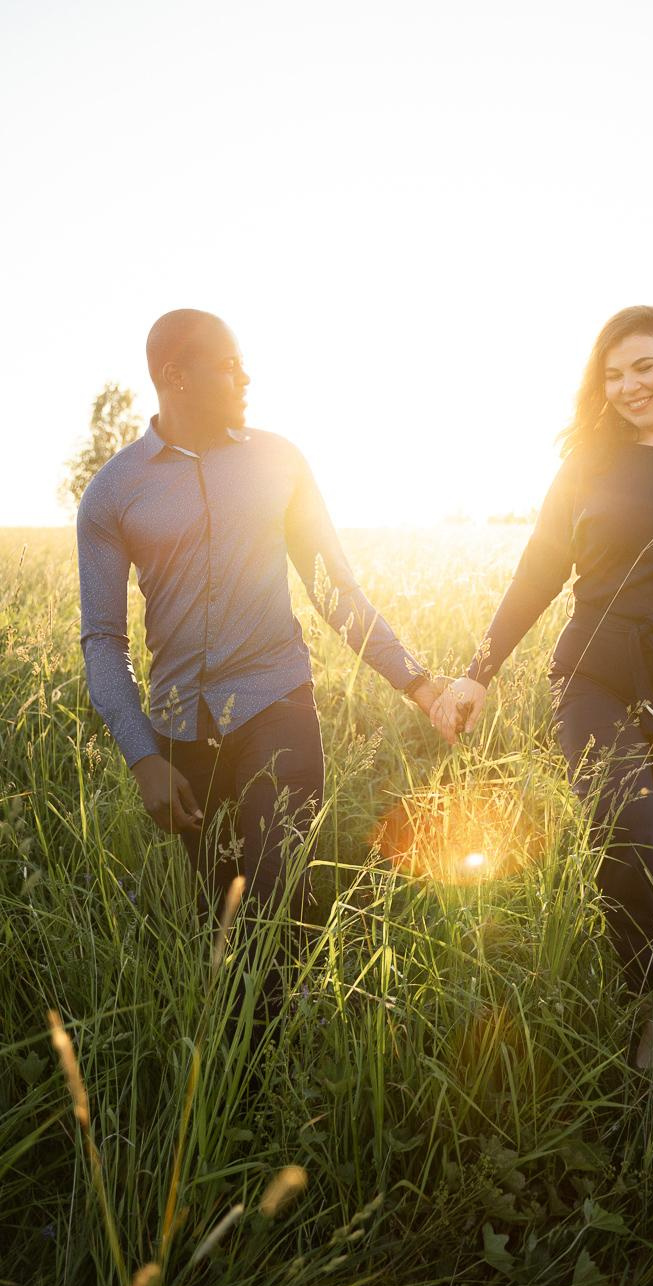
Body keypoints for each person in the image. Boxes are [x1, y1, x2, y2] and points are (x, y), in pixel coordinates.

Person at [430, 306, 653, 1066]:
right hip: (596, 671)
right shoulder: (589, 461)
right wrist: (478, 670)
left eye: (643, 366)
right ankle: (651, 1001)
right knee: (625, 827)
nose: (627, 386)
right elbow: (539, 572)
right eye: (612, 374)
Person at [77, 308, 451, 1016]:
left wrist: (420, 684)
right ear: (174, 378)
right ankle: (240, 1084)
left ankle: (276, 1076)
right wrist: (142, 757)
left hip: (278, 701)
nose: (246, 377)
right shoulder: (113, 493)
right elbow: (102, 640)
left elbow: (336, 591)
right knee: (221, 919)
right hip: (181, 729)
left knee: (277, 896)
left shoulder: (280, 461)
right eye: (228, 365)